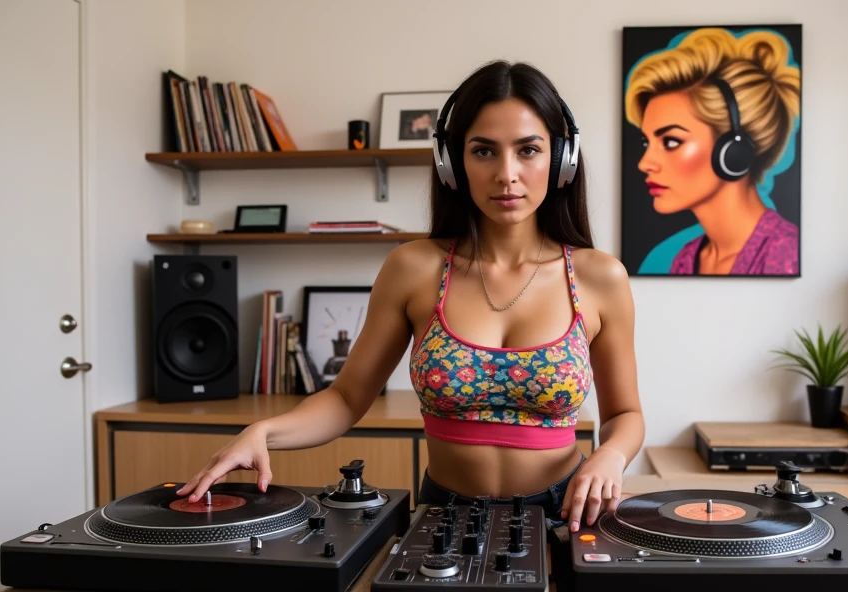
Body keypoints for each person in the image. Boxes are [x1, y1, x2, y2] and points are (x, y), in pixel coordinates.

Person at [176, 60, 645, 534]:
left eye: (528, 150)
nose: (507, 173)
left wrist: (610, 455)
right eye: (483, 151)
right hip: (444, 514)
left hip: (566, 513)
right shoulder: (412, 267)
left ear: (562, 159)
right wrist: (264, 431)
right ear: (452, 164)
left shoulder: (599, 276)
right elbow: (346, 397)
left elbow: (625, 414)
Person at [624, 27, 802, 276]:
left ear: (733, 151)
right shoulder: (686, 258)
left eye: (671, 141)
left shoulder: (785, 254)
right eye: (647, 143)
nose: (645, 163)